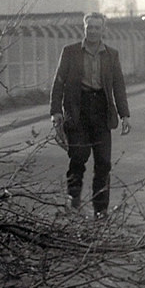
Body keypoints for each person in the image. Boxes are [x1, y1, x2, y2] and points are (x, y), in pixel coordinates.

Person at [50, 12, 131, 218]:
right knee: (78, 157)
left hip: (102, 112)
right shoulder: (70, 52)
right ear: (84, 29)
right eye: (90, 27)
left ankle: (100, 210)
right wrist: (56, 112)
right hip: (77, 111)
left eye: (97, 27)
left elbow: (118, 86)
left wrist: (124, 115)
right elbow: (58, 83)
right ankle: (73, 200)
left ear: (103, 30)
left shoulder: (111, 54)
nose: (93, 31)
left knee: (103, 162)